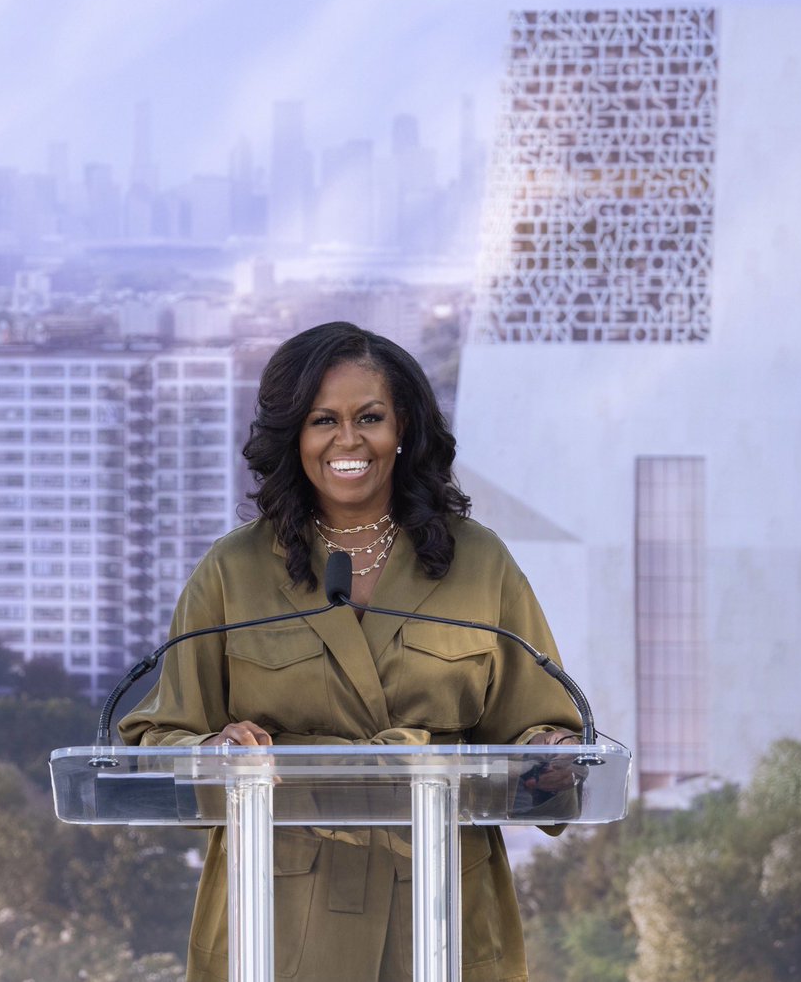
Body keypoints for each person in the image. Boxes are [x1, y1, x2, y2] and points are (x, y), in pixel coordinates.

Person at [119, 322, 582, 982]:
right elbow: (153, 739)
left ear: (405, 430)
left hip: (439, 903)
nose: (348, 439)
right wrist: (210, 754)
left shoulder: (480, 562)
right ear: (293, 436)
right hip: (275, 914)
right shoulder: (233, 570)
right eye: (322, 419)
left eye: (370, 416)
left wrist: (550, 755)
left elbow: (545, 727)